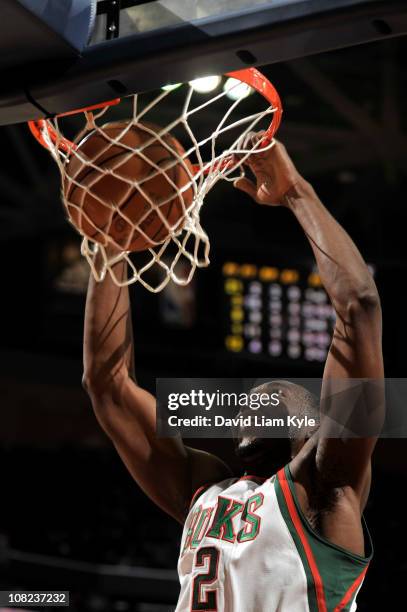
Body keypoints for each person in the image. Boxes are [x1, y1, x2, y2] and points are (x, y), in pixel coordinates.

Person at [83, 139, 383, 612]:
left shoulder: (327, 490)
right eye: (255, 396)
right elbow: (108, 383)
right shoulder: (202, 491)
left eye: (286, 396)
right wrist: (110, 247)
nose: (262, 394)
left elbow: (360, 308)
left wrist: (296, 192)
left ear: (312, 434)